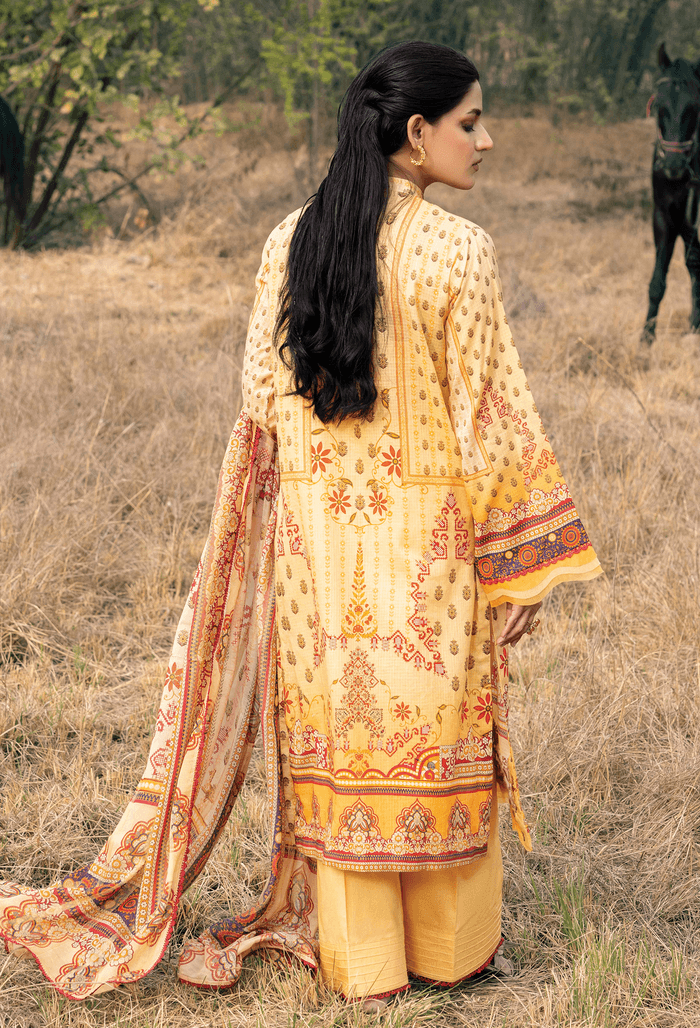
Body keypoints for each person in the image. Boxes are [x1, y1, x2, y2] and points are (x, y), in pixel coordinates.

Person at [0, 41, 601, 1007]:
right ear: (417, 135)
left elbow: (259, 409)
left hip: (314, 564)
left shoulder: (290, 239)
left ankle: (365, 968)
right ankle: (449, 954)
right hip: (432, 563)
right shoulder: (458, 251)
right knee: (436, 738)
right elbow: (492, 419)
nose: (486, 140)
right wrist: (518, 563)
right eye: (471, 122)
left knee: (343, 747)